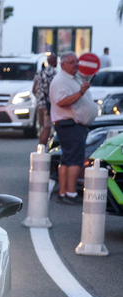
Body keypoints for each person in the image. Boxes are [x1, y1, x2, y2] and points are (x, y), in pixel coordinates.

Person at [50, 51, 98, 205]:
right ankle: (71, 193)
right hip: (69, 124)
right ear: (62, 64)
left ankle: (64, 192)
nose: (76, 64)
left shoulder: (72, 77)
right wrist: (80, 92)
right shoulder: (61, 80)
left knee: (67, 160)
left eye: (77, 61)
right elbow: (61, 101)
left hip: (71, 125)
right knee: (75, 160)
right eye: (71, 62)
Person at [32, 53, 57, 145]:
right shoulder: (54, 73)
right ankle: (42, 148)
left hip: (39, 104)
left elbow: (33, 89)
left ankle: (41, 146)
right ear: (54, 62)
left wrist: (39, 98)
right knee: (47, 128)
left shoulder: (39, 72)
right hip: (48, 105)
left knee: (42, 127)